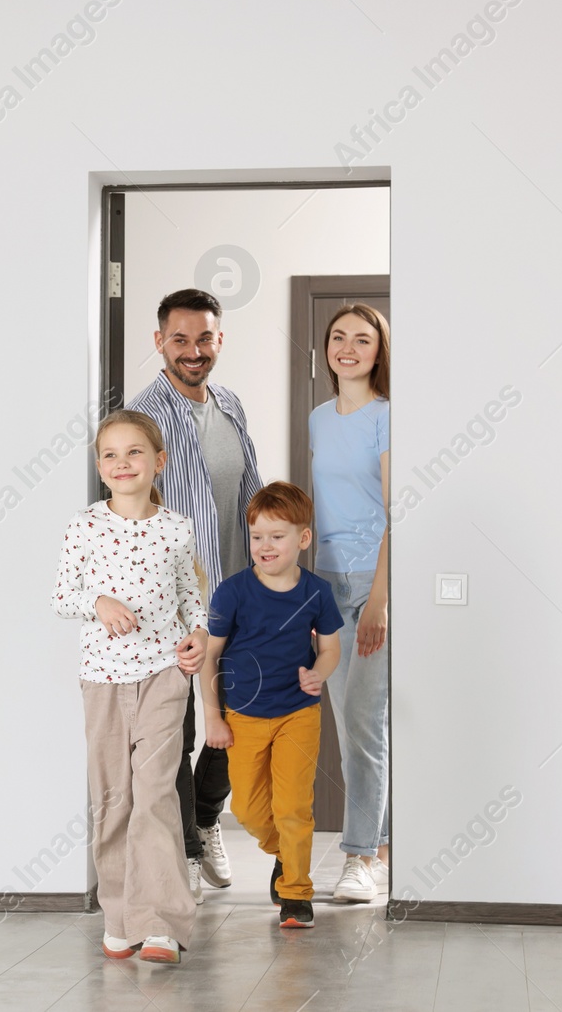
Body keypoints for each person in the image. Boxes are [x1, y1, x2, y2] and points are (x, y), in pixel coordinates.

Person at [52, 409, 206, 964]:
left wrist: (199, 634)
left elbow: (192, 597)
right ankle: (119, 917)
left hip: (165, 675)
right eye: (110, 454)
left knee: (156, 794)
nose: (122, 463)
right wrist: (98, 602)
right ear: (99, 466)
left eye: (134, 452)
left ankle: (162, 922)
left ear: (159, 462)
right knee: (114, 798)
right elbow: (61, 596)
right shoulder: (84, 525)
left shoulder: (177, 527)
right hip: (101, 679)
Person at [127, 288, 263, 904]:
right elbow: (129, 505)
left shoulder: (231, 405)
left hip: (239, 596)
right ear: (159, 342)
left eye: (204, 338)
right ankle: (182, 851)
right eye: (179, 339)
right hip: (176, 606)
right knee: (180, 728)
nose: (193, 351)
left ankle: (207, 819)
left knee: (236, 720)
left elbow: (251, 492)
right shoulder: (144, 415)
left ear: (220, 340)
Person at [183, 481, 342, 928]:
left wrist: (320, 673)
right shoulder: (232, 592)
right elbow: (210, 656)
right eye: (257, 537)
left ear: (303, 539)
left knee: (294, 806)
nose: (265, 546)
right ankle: (285, 855)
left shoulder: (317, 592)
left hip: (298, 714)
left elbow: (331, 648)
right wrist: (213, 716)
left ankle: (296, 892)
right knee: (250, 811)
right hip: (243, 717)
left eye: (277, 536)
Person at [308, 304, 392, 903]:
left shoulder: (389, 417)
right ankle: (381, 844)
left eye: (363, 340)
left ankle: (361, 857)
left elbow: (398, 511)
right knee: (348, 722)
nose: (348, 348)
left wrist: (381, 600)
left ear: (378, 351)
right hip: (325, 583)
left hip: (372, 582)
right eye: (339, 337)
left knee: (364, 723)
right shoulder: (316, 419)